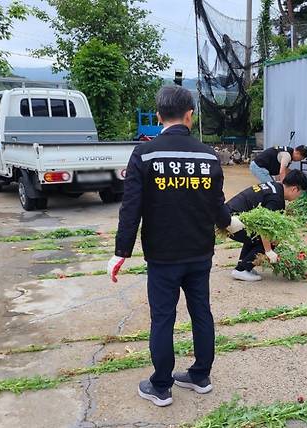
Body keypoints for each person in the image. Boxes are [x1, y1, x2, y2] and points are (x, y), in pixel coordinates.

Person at [107, 86, 243, 407]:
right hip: (199, 254)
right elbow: (217, 206)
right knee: (201, 313)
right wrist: (237, 228)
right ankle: (200, 375)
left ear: (158, 116)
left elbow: (131, 209)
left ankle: (161, 386)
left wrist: (120, 253)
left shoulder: (145, 155)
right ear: (189, 115)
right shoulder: (209, 156)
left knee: (163, 318)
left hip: (163, 256)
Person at [225, 170, 307, 281]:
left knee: (256, 235)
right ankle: (241, 270)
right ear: (294, 189)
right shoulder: (276, 200)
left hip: (227, 216)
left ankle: (244, 265)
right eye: (300, 193)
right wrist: (269, 251)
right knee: (270, 239)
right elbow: (264, 227)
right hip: (232, 223)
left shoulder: (275, 186)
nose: (298, 197)